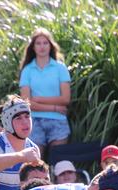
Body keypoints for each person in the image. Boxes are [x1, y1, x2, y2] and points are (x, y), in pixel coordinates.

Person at [19, 28, 71, 156]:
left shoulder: (60, 68)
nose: (42, 46)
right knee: (35, 161)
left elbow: (65, 99)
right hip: (34, 121)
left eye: (45, 43)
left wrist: (38, 99)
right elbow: (26, 103)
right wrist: (54, 108)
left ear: (50, 45)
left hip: (58, 122)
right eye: (38, 43)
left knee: (59, 162)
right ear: (33, 47)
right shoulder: (27, 70)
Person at [0, 95, 40, 190]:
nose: (25, 122)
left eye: (27, 116)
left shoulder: (33, 149)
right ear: (7, 123)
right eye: (18, 118)